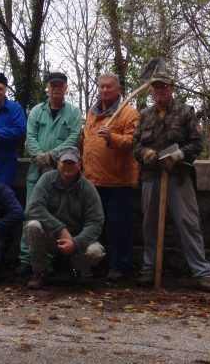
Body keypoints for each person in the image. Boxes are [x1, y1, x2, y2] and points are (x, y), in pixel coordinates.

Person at [131, 72, 210, 293]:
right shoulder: (144, 115)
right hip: (151, 177)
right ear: (151, 90)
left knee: (189, 223)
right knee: (150, 226)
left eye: (163, 87)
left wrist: (178, 155)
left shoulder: (186, 112)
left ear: (172, 89)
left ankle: (202, 273)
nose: (159, 90)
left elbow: (197, 144)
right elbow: (134, 145)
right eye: (155, 87)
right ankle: (149, 269)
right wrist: (146, 153)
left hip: (179, 177)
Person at [14, 72, 82, 276]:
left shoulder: (73, 113)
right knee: (31, 214)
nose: (56, 88)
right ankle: (27, 259)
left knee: (54, 216)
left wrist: (52, 158)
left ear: (66, 88)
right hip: (36, 174)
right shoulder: (36, 111)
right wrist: (39, 158)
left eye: (60, 85)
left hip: (61, 174)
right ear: (47, 87)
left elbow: (74, 137)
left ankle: (48, 261)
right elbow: (30, 137)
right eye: (53, 85)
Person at [80, 73, 139, 281]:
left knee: (120, 226)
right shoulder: (92, 112)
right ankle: (98, 263)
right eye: (102, 87)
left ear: (118, 90)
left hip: (118, 181)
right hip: (92, 180)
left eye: (109, 87)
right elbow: (86, 140)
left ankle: (119, 265)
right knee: (97, 226)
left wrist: (112, 138)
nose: (105, 90)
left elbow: (135, 143)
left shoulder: (129, 113)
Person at [24, 146, 105, 289]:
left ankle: (76, 270)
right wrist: (60, 229)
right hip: (51, 236)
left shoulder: (88, 188)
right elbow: (34, 208)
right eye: (64, 162)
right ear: (58, 163)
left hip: (77, 240)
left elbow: (96, 222)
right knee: (32, 226)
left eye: (72, 163)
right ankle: (40, 273)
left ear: (79, 164)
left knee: (96, 252)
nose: (68, 166)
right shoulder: (46, 180)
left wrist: (75, 243)